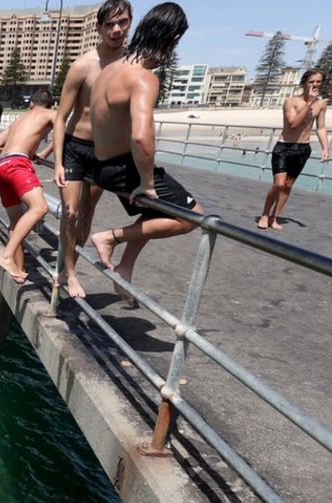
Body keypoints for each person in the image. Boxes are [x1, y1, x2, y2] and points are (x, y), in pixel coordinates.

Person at [88, 2, 202, 307]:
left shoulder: (110, 70)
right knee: (194, 217)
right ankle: (109, 237)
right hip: (126, 168)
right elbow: (141, 135)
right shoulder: (143, 78)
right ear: (173, 38)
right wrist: (148, 181)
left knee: (155, 212)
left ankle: (125, 268)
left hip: (103, 165)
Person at [53, 0, 132, 299]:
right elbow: (61, 117)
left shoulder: (132, 65)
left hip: (105, 152)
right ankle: (69, 273)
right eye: (109, 24)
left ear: (129, 23)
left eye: (122, 22)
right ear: (98, 28)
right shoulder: (83, 65)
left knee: (87, 213)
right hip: (76, 147)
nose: (116, 30)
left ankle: (70, 261)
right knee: (70, 212)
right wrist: (59, 162)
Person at [0, 89, 56, 283]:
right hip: (17, 166)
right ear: (49, 105)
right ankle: (7, 256)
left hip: (1, 166)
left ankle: (18, 270)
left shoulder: (19, 120)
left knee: (16, 222)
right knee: (40, 207)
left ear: (31, 104)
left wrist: (16, 148)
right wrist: (43, 153)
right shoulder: (51, 114)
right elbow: (63, 132)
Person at [258, 68, 330, 230]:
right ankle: (264, 214)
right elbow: (293, 123)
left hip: (303, 149)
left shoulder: (322, 104)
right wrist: (309, 103)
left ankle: (274, 217)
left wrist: (325, 148)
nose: (315, 85)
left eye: (318, 82)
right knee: (278, 184)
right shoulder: (291, 102)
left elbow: (321, 127)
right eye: (311, 81)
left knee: (288, 185)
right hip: (284, 146)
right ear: (304, 83)